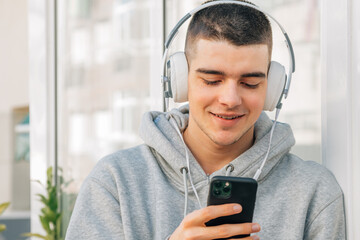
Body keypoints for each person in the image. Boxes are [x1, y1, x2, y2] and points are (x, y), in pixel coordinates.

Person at [66, 0, 346, 239]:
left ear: (273, 90)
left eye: (250, 83)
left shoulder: (314, 191)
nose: (230, 99)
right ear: (179, 81)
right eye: (212, 80)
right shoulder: (115, 182)